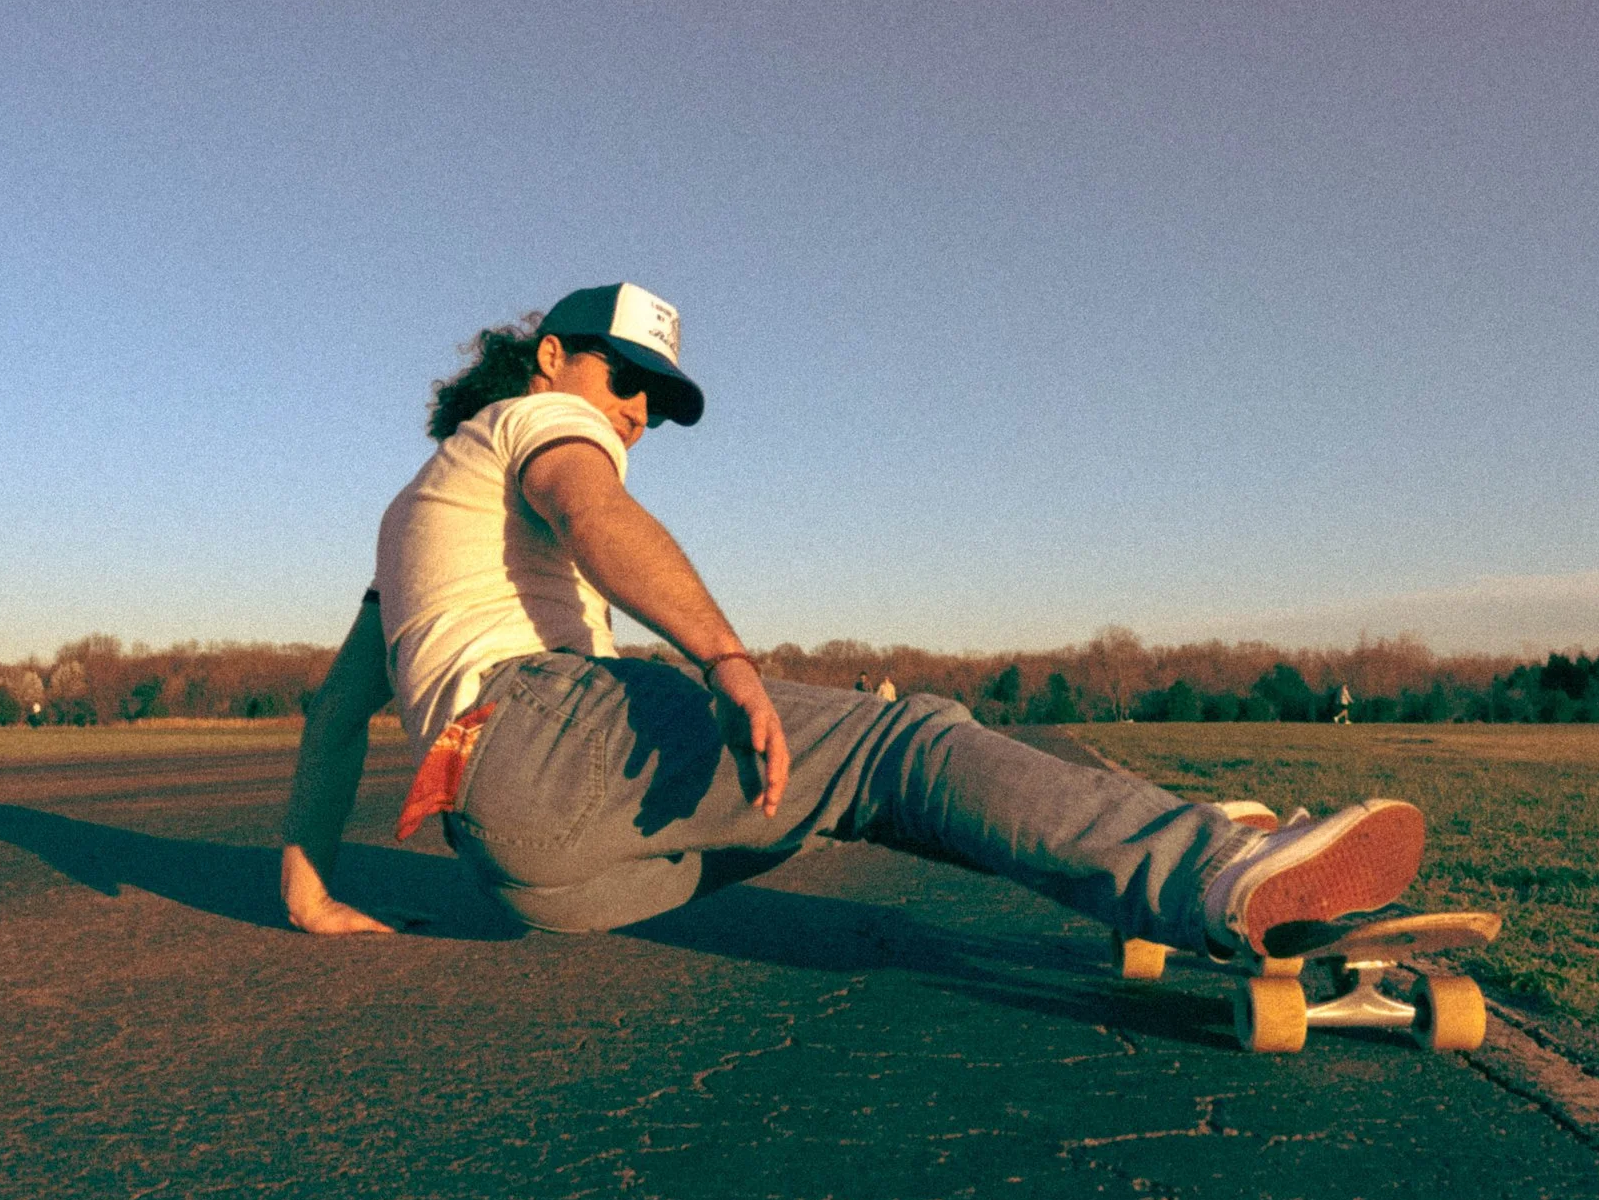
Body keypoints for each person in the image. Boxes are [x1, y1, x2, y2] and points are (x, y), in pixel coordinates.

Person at [280, 282, 1424, 955]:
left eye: (654, 400)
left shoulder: (413, 513)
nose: (634, 411)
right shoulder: (534, 423)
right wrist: (721, 656)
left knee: (841, 787)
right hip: (548, 731)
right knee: (901, 741)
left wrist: (305, 882)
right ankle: (1216, 873)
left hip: (520, 866)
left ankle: (1121, 825)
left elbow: (337, 715)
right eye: (618, 378)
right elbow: (591, 511)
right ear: (547, 360)